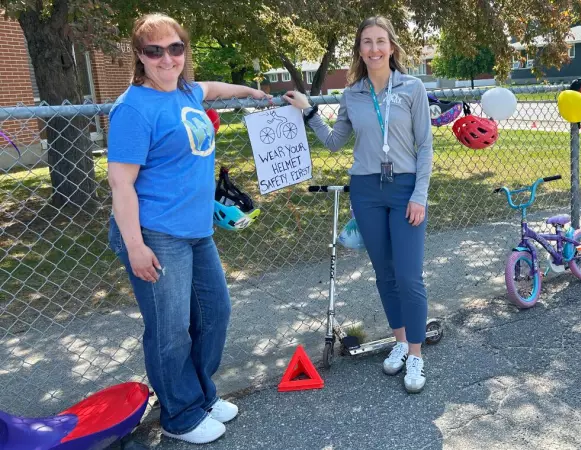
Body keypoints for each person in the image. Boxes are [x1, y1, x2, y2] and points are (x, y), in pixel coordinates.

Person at [106, 13, 270, 444]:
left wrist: (250, 92)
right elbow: (121, 182)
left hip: (197, 231)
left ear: (184, 51)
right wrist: (135, 245)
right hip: (157, 233)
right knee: (170, 328)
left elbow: (212, 88)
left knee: (215, 314)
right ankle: (179, 414)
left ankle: (199, 395)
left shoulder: (185, 91)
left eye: (175, 48)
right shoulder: (133, 109)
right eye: (154, 51)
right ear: (140, 57)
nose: (167, 59)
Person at [283, 16, 434, 394]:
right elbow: (335, 142)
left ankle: (415, 353)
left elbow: (426, 147)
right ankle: (399, 342)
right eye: (367, 42)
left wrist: (419, 195)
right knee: (384, 273)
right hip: (366, 190)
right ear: (359, 50)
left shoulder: (412, 88)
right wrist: (309, 111)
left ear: (392, 47)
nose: (374, 49)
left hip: (404, 189)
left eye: (380, 41)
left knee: (409, 276)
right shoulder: (352, 94)